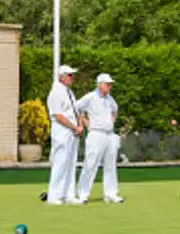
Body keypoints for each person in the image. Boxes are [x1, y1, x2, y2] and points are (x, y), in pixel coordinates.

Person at [74, 73, 123, 204]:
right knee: (90, 164)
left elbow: (115, 110)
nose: (110, 86)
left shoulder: (110, 99)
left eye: (111, 84)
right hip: (96, 134)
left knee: (110, 165)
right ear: (100, 84)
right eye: (108, 84)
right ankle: (82, 194)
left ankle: (111, 194)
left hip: (109, 134)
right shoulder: (90, 97)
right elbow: (76, 107)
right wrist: (83, 121)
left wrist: (112, 120)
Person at [44, 65, 83, 205]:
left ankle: (68, 195)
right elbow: (58, 115)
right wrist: (74, 126)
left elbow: (76, 110)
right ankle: (54, 196)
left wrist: (80, 125)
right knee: (60, 162)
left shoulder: (68, 91)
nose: (72, 78)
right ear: (62, 76)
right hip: (62, 130)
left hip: (72, 131)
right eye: (70, 75)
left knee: (71, 163)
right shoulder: (56, 92)